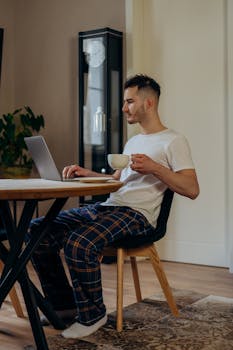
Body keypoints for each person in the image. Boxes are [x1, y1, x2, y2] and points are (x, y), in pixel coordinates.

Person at [28, 74, 199, 338]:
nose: (123, 108)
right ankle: (63, 308)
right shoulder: (133, 142)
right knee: (38, 230)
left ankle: (92, 315)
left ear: (149, 103)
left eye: (129, 102)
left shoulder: (173, 141)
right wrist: (87, 173)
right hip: (109, 207)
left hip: (137, 215)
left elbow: (191, 188)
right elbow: (119, 180)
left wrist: (155, 168)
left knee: (79, 242)